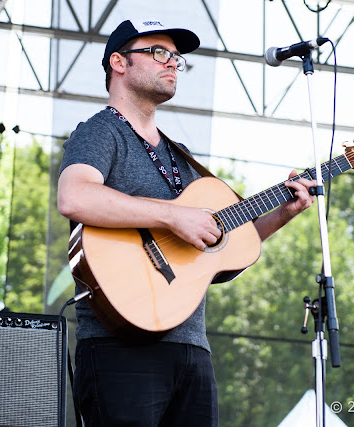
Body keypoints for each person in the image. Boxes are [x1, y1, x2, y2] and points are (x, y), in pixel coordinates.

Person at [57, 18, 317, 427]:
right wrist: (173, 215)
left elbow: (222, 242)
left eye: (176, 57)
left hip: (192, 348)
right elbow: (74, 196)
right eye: (159, 53)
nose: (173, 63)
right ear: (119, 63)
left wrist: (283, 211)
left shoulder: (182, 158)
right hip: (119, 343)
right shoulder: (100, 131)